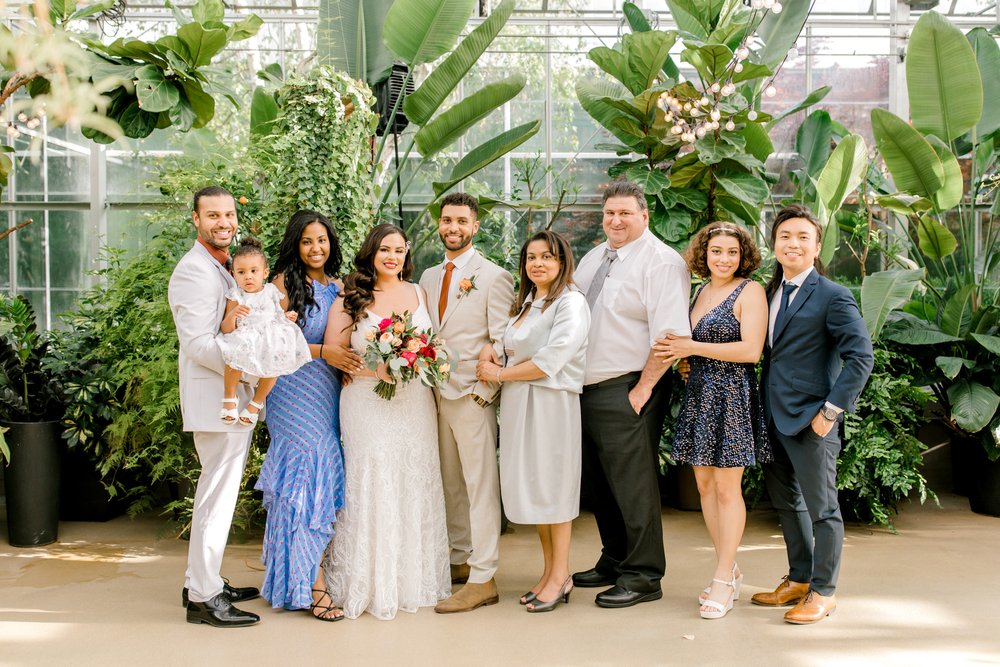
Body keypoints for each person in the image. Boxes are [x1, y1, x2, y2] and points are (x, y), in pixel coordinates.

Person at [749, 204, 873, 624]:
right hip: (772, 416)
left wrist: (830, 412)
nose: (793, 243)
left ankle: (824, 591)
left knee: (823, 510)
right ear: (775, 244)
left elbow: (861, 358)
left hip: (812, 420)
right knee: (788, 506)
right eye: (785, 236)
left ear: (817, 245)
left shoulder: (834, 296)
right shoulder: (768, 292)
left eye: (803, 236)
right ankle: (799, 578)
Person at [571, 180, 691, 609]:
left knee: (633, 484)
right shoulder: (593, 257)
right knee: (601, 484)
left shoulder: (661, 262)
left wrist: (642, 389)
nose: (615, 221)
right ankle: (616, 557)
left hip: (628, 387)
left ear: (645, 215)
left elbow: (671, 334)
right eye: (609, 214)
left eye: (624, 213)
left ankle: (643, 575)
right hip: (586, 389)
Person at [323, 223, 451, 620]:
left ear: (406, 253)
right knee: (372, 479)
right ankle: (366, 580)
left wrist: (422, 363)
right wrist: (376, 371)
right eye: (384, 250)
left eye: (398, 250)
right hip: (365, 402)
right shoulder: (351, 295)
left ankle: (412, 579)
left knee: (413, 479)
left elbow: (432, 346)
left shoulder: (419, 292)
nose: (391, 257)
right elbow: (334, 352)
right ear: (371, 253)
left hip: (414, 403)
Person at [653, 222, 771, 620]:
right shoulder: (700, 290)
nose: (724, 259)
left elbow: (751, 350)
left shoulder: (750, 291)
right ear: (704, 254)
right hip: (700, 393)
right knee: (703, 485)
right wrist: (687, 359)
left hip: (732, 396)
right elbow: (691, 343)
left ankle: (722, 575)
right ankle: (730, 568)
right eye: (716, 251)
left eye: (732, 252)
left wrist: (692, 346)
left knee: (725, 489)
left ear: (744, 256)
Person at [255, 210, 364, 622]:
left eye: (322, 240)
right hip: (291, 390)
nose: (316, 248)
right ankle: (312, 585)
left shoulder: (338, 287)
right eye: (307, 241)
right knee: (303, 478)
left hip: (328, 392)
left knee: (323, 476)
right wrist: (324, 353)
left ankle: (294, 577)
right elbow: (269, 342)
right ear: (294, 246)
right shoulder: (282, 284)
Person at [475, 231, 589, 614]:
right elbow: (512, 347)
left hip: (551, 402)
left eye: (547, 257)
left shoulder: (571, 303)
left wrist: (498, 375)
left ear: (563, 261)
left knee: (554, 489)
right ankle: (549, 573)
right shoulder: (526, 303)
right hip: (521, 401)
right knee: (538, 491)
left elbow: (551, 360)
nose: (538, 264)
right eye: (531, 257)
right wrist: (493, 351)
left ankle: (561, 575)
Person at [168, 185, 261, 627]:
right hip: (216, 400)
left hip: (228, 400)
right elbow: (199, 344)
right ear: (196, 219)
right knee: (216, 498)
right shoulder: (194, 271)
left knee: (216, 494)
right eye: (213, 216)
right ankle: (205, 598)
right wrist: (250, 369)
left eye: (229, 215)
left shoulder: (221, 266)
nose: (224, 222)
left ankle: (199, 582)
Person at [418, 192, 515, 614]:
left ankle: (484, 576)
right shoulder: (426, 276)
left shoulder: (493, 277)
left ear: (475, 227)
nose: (452, 228)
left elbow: (503, 341)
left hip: (471, 396)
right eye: (446, 220)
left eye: (461, 221)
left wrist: (484, 394)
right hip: (431, 395)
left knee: (480, 487)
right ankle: (460, 560)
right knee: (449, 484)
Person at [217, 237, 311, 427]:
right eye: (241, 272)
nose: (248, 277)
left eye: (254, 271)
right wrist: (234, 313)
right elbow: (226, 329)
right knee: (234, 356)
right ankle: (229, 397)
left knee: (274, 364)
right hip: (246, 335)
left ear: (265, 273)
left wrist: (287, 317)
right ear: (234, 274)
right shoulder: (236, 295)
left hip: (269, 336)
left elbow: (277, 315)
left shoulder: (271, 291)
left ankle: (256, 403)